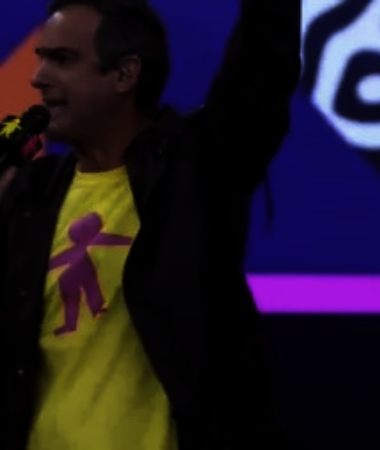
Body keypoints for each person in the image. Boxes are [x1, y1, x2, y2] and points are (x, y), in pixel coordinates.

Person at [0, 0, 300, 449]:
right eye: (42, 57)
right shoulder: (29, 195)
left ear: (125, 74)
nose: (38, 77)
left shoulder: (197, 170)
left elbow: (261, 69)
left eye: (62, 59)